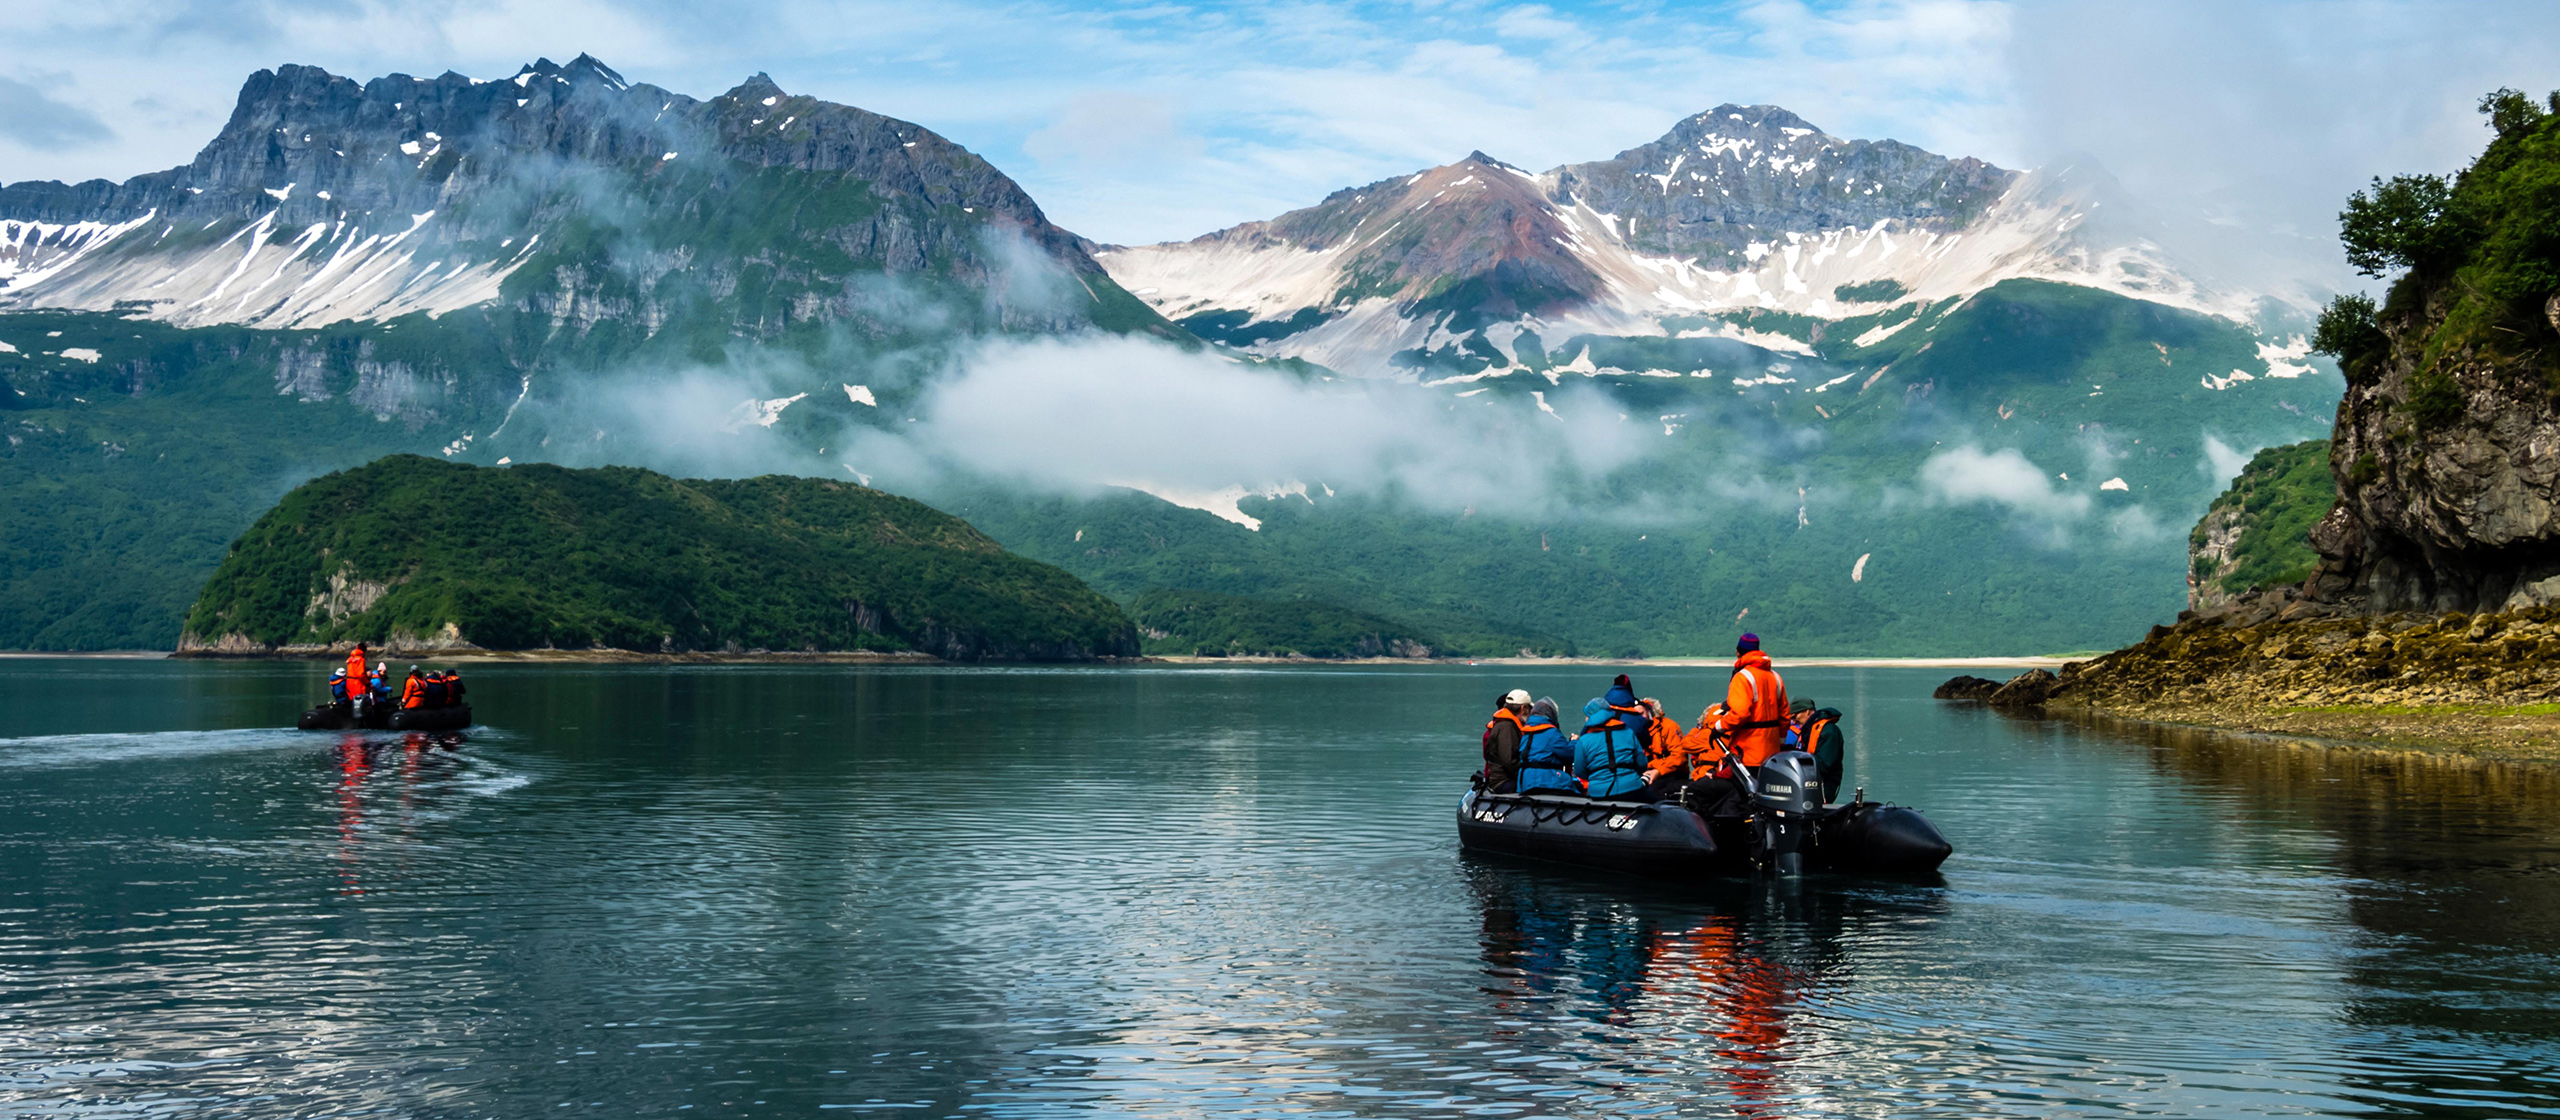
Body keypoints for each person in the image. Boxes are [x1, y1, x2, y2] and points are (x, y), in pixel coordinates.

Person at [1722, 633, 1790, 768]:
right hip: (1772, 754)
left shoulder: (1742, 677)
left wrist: (1719, 727)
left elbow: (1739, 714)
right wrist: (1780, 743)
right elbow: (1784, 716)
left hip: (1747, 753)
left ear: (1737, 652)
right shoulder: (1775, 677)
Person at [1573, 697, 1655, 802]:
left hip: (1599, 793)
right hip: (1631, 788)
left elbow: (1580, 772)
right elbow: (1642, 764)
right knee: (1657, 805)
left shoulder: (1584, 741)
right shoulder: (1629, 733)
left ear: (1590, 717)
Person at [1514, 697, 1578, 793]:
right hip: (1546, 780)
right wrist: (1574, 742)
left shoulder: (1526, 733)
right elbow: (1569, 753)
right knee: (1576, 788)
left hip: (1525, 780)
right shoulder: (1552, 733)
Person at [1790, 699, 1847, 802]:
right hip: (1805, 782)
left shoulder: (1829, 731)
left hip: (1823, 785)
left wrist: (1799, 761)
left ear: (1807, 711)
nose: (1793, 721)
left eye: (1795, 717)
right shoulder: (1807, 731)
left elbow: (1825, 764)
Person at [1481, 689, 1535, 792]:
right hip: (1503, 781)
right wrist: (1529, 774)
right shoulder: (1507, 727)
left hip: (1502, 779)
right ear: (1523, 708)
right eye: (1529, 708)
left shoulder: (1506, 725)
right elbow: (1509, 761)